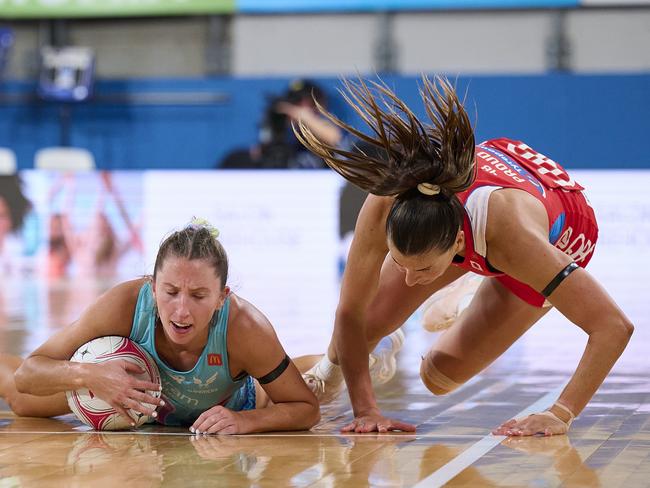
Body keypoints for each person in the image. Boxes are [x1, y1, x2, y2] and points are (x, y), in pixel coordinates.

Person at [296, 75, 634, 436]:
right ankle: (327, 372)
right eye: (399, 263)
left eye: (422, 269)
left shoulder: (516, 242)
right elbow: (349, 311)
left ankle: (476, 282)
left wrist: (561, 413)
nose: (409, 279)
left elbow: (613, 327)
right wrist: (364, 409)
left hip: (559, 227)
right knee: (365, 325)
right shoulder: (386, 204)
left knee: (438, 377)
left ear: (458, 243)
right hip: (482, 201)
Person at [0, 219, 320, 434]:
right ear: (152, 287)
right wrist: (91, 374)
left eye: (198, 295)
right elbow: (29, 374)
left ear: (222, 298)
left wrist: (245, 420)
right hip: (132, 397)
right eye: (170, 292)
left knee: (284, 387)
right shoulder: (124, 303)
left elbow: (306, 408)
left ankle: (317, 361)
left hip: (228, 401)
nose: (181, 310)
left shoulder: (246, 327)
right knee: (22, 401)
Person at [220, 79, 342, 169]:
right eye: (296, 102)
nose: (299, 108)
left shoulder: (326, 131)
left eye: (308, 103)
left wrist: (304, 117)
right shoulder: (286, 137)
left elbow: (335, 139)